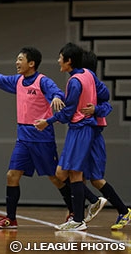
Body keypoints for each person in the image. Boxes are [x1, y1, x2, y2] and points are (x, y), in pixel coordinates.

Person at [0, 47, 69, 229]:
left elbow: (57, 93)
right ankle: (11, 219)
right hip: (23, 138)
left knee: (55, 177)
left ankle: (75, 211)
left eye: (20, 59)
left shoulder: (42, 81)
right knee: (12, 175)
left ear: (31, 63)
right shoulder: (18, 81)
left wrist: (56, 97)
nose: (16, 62)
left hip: (41, 137)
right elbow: (0, 79)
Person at [34, 42, 111, 231]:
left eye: (61, 57)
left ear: (69, 61)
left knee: (75, 173)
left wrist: (47, 121)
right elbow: (104, 93)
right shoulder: (89, 75)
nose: (58, 60)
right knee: (62, 173)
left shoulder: (75, 81)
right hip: (79, 129)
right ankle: (91, 203)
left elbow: (68, 112)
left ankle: (78, 219)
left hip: (80, 129)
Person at [69, 50, 130, 230]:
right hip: (82, 133)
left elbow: (107, 104)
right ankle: (78, 216)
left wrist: (95, 109)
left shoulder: (93, 83)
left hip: (93, 135)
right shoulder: (77, 83)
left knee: (95, 178)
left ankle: (124, 211)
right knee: (75, 174)